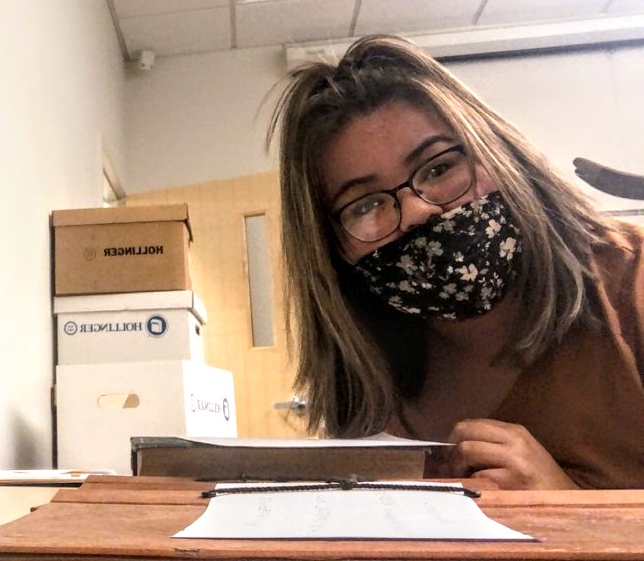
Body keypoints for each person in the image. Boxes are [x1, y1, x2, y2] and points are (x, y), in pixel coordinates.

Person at [266, 34, 644, 489]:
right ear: (333, 250)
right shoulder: (370, 380)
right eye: (365, 205)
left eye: (439, 168)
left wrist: (568, 510)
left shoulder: (631, 284)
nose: (418, 210)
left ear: (498, 156)